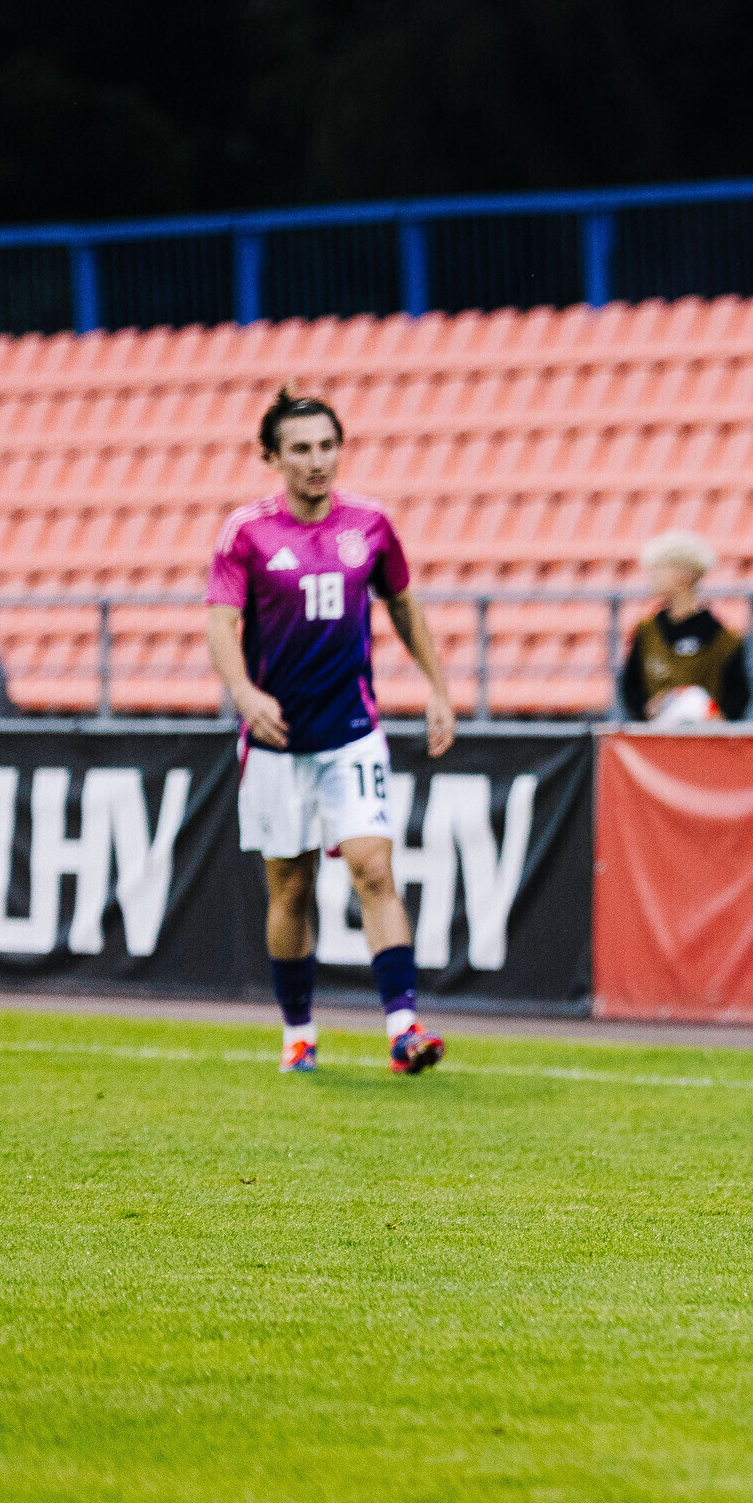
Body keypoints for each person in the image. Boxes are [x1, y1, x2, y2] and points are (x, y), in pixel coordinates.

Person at [206, 387, 457, 1078]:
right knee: (291, 887)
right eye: (301, 449)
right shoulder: (245, 533)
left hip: (352, 731)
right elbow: (220, 624)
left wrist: (437, 688)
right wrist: (245, 693)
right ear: (273, 457)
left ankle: (404, 1029)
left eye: (326, 446)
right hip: (278, 739)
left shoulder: (370, 524)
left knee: (374, 867)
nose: (317, 461)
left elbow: (402, 604)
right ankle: (298, 1033)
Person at [618, 529, 752, 723]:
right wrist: (646, 708)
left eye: (660, 567)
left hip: (706, 737)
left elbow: (739, 694)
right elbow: (630, 687)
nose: (651, 575)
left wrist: (719, 718)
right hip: (658, 735)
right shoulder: (645, 632)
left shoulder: (726, 639)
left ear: (684, 573)